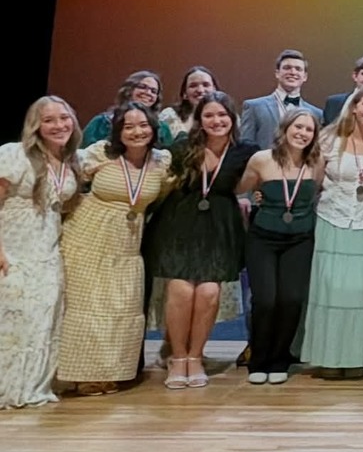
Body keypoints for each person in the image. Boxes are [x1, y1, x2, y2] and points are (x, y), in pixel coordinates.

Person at [143, 91, 259, 388]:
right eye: (209, 115)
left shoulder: (246, 151)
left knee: (208, 293)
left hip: (219, 227)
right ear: (200, 119)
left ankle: (196, 356)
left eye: (222, 115)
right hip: (179, 224)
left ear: (232, 118)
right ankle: (177, 357)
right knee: (181, 290)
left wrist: (254, 197)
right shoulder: (183, 147)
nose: (216, 121)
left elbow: (255, 180)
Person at [58, 102, 172, 395]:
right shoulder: (98, 153)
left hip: (128, 243)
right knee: (87, 307)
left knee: (123, 308)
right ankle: (83, 375)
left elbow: (167, 194)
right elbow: (64, 180)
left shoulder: (162, 161)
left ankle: (111, 371)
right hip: (88, 236)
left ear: (153, 128)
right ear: (118, 131)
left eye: (143, 125)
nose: (137, 131)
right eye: (129, 126)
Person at [300, 86, 363, 379]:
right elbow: (311, 183)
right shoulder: (329, 139)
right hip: (333, 221)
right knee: (332, 293)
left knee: (361, 296)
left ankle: (359, 358)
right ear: (354, 106)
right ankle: (329, 358)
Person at [0, 97, 81, 410]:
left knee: (42, 321)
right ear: (36, 125)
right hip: (14, 250)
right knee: (13, 324)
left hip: (47, 252)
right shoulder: (14, 154)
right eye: (49, 120)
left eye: (64, 118)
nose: (59, 125)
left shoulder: (71, 161)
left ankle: (33, 386)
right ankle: (9, 388)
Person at [237, 109, 325, 384]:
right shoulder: (261, 159)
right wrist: (257, 196)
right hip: (263, 238)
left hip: (300, 239)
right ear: (285, 129)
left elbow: (317, 194)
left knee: (290, 300)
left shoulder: (317, 162)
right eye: (298, 127)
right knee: (265, 300)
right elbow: (243, 190)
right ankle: (259, 359)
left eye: (309, 129)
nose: (302, 133)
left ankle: (280, 358)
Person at [81, 70, 175, 148]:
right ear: (128, 90)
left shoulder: (162, 128)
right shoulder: (101, 122)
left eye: (154, 91)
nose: (148, 93)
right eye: (142, 87)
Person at [159, 66, 219, 140]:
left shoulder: (227, 116)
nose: (200, 90)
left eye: (206, 85)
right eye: (193, 86)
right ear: (184, 93)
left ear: (215, 89)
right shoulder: (169, 115)